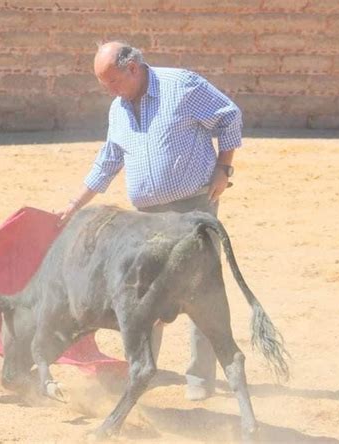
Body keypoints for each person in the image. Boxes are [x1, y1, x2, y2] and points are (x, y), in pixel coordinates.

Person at [57, 41, 242, 401]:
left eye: (113, 81)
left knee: (199, 289)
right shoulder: (118, 109)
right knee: (142, 294)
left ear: (133, 68)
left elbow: (229, 115)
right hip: (147, 219)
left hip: (193, 207)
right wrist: (73, 205)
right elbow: (108, 160)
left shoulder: (182, 86)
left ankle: (201, 380)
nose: (109, 91)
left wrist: (224, 166)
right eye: (103, 84)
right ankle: (144, 371)